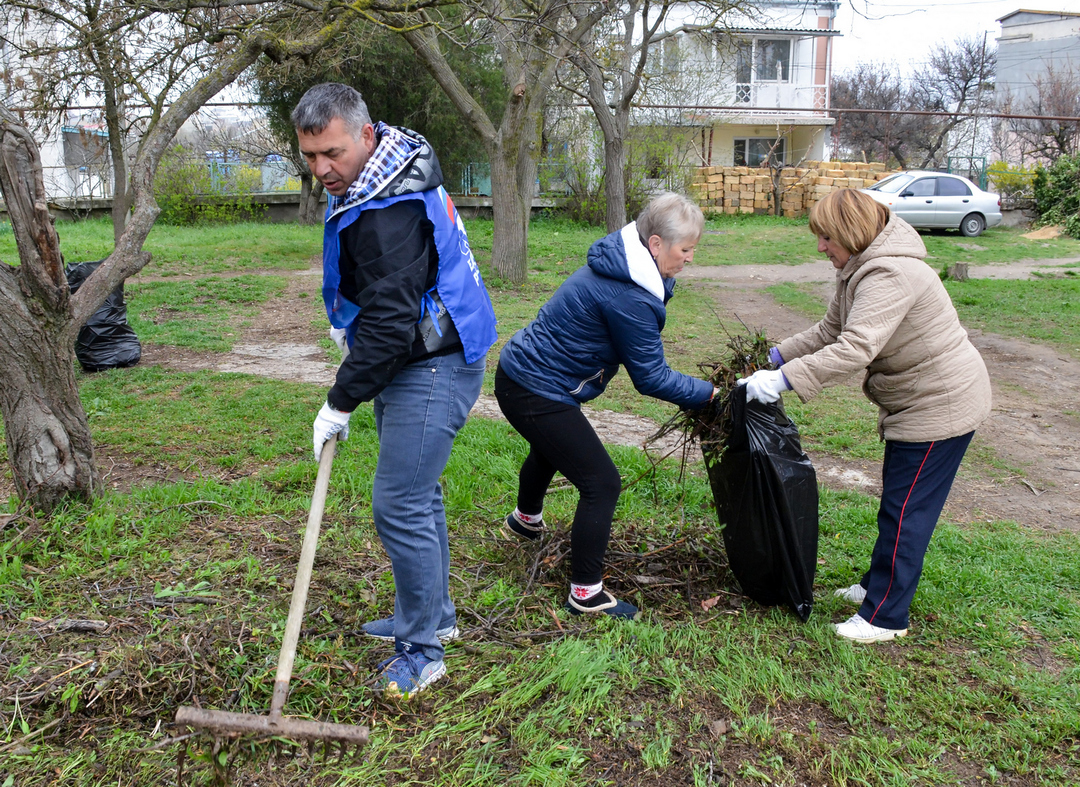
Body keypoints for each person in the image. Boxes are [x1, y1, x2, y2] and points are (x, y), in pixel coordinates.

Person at [293, 83, 498, 696]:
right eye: (310, 157)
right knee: (419, 495)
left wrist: (339, 399)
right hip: (426, 349)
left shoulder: (389, 209)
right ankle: (434, 616)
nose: (322, 169)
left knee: (399, 503)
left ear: (364, 135)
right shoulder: (393, 166)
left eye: (332, 153)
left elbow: (389, 323)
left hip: (432, 363)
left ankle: (421, 650)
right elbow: (386, 307)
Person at [739, 188, 991, 643]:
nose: (821, 247)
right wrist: (774, 357)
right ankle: (879, 585)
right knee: (897, 503)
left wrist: (785, 380)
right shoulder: (858, 266)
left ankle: (886, 617)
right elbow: (831, 330)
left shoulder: (889, 272)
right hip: (916, 402)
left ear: (851, 233)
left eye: (827, 238)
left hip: (941, 404)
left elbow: (857, 346)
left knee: (907, 512)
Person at [495, 192, 718, 620]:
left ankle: (524, 522)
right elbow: (651, 377)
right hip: (535, 388)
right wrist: (710, 395)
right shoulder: (628, 294)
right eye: (686, 249)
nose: (690, 258)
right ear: (655, 244)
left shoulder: (627, 263)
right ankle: (586, 593)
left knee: (551, 448)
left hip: (522, 376)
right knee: (602, 483)